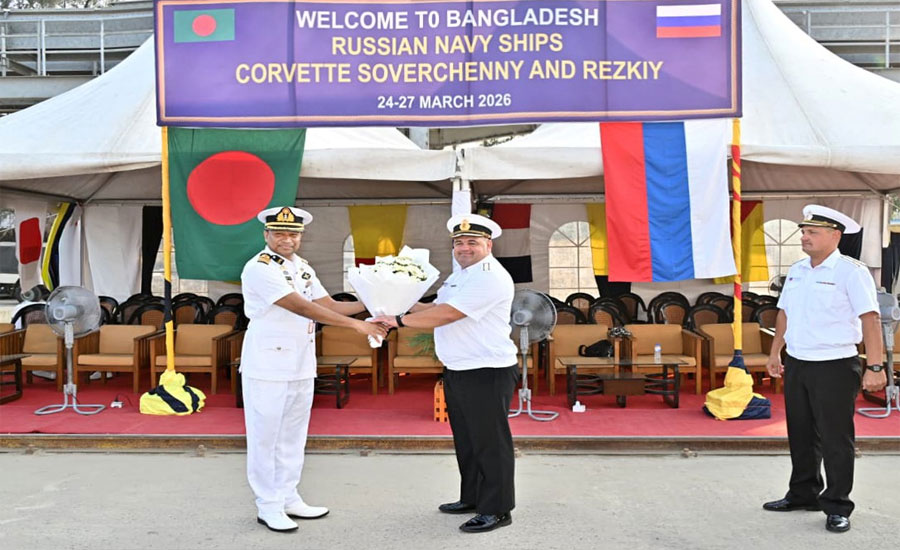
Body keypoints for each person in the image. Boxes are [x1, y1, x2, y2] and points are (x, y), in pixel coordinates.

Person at [240, 206, 387, 533]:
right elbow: (301, 307)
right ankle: (268, 504)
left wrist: (376, 304)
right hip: (268, 364)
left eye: (293, 234)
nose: (287, 239)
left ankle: (288, 496)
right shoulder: (260, 268)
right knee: (266, 437)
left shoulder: (302, 266)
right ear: (266, 234)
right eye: (280, 233)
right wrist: (357, 326)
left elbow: (328, 305)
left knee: (293, 436)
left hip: (300, 362)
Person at [373, 213, 519, 533]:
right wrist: (395, 300)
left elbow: (450, 314)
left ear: (488, 245)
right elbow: (434, 308)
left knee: (490, 442)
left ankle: (497, 509)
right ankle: (473, 498)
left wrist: (398, 321)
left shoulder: (490, 276)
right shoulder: (460, 276)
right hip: (459, 368)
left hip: (486, 370)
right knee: (467, 440)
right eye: (459, 242)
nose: (464, 247)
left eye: (472, 242)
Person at [764, 205, 887, 533]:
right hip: (798, 362)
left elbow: (870, 319)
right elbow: (784, 313)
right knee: (801, 433)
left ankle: (837, 504)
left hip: (835, 365)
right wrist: (776, 351)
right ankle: (803, 493)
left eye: (812, 232)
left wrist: (875, 366)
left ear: (835, 236)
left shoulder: (852, 271)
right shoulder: (797, 270)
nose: (804, 237)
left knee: (835, 437)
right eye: (804, 231)